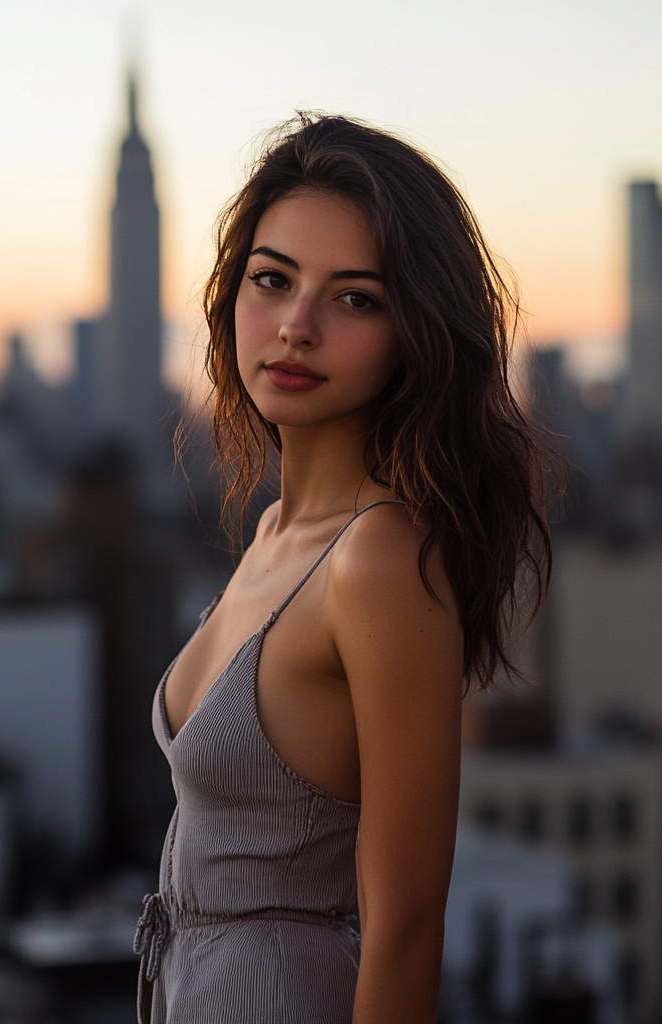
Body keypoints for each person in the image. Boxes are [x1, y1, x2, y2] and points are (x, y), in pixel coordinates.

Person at [134, 114, 551, 1024]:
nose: (295, 327)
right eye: (272, 280)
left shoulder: (380, 558)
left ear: (414, 331)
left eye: (354, 298)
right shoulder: (277, 531)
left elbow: (405, 928)